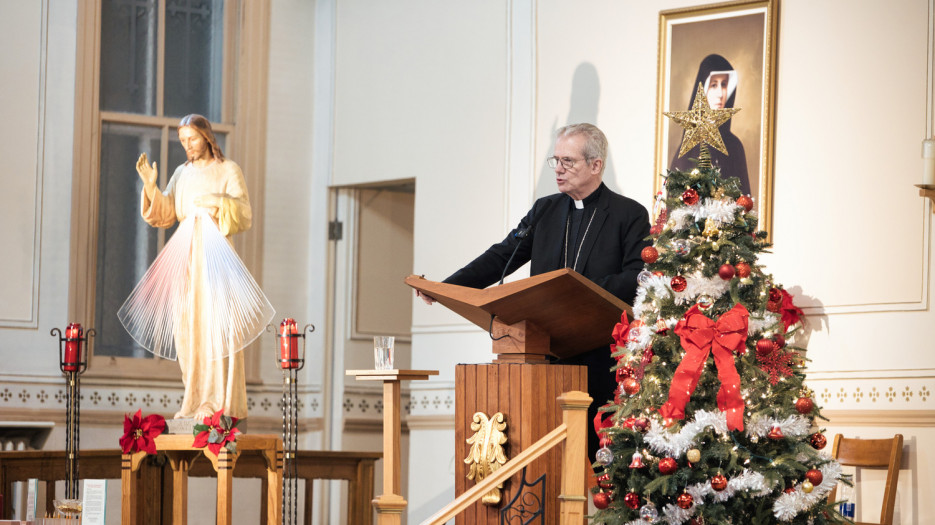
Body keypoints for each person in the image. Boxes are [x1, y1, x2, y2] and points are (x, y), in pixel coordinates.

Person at [418, 123, 651, 458]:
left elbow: (635, 276)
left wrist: (578, 292)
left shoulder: (628, 214)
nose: (558, 169)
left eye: (568, 161)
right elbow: (502, 256)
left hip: (602, 354)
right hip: (545, 352)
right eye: (555, 160)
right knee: (547, 453)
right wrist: (447, 286)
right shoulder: (545, 210)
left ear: (596, 165)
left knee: (597, 455)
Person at [120, 114, 273, 421]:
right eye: (183, 141)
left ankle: (216, 404)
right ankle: (193, 400)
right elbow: (165, 214)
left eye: (192, 139)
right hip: (186, 257)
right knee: (187, 330)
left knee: (216, 328)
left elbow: (244, 213)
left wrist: (218, 201)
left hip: (216, 259)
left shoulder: (228, 170)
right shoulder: (181, 173)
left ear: (206, 137)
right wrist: (151, 187)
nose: (187, 146)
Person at [670, 54, 751, 195]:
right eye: (714, 85)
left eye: (724, 85)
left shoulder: (735, 146)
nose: (720, 93)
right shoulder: (689, 147)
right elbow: (676, 208)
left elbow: (746, 207)